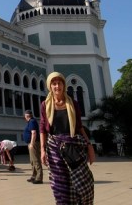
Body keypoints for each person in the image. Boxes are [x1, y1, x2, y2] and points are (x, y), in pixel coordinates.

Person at [40, 72, 95, 205]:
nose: (57, 86)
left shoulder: (73, 103)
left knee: (84, 184)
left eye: (60, 83)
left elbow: (80, 127)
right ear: (50, 86)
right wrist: (42, 150)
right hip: (54, 150)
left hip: (73, 147)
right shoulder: (45, 105)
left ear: (64, 85)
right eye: (54, 83)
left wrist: (89, 146)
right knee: (61, 186)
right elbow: (42, 128)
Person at [23, 109, 43, 184]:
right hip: (31, 143)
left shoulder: (32, 121)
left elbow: (33, 133)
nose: (24, 117)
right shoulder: (30, 122)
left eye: (25, 116)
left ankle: (39, 178)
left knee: (36, 160)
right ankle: (34, 176)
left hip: (34, 143)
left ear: (26, 116)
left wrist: (32, 143)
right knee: (32, 161)